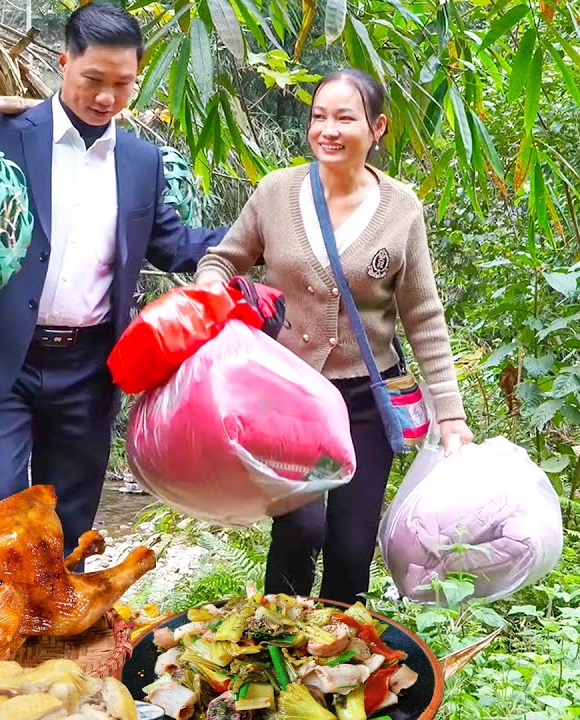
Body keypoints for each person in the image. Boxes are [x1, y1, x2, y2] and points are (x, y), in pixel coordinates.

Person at [0, 1, 228, 560]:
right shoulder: (0, 132)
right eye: (93, 80)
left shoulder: (141, 161)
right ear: (64, 63)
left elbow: (174, 244)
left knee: (71, 522)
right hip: (1, 356)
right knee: (2, 504)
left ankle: (57, 639)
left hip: (89, 366)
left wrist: (261, 233)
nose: (106, 97)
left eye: (122, 84)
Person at [193, 68, 475, 604]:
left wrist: (452, 414)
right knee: (300, 530)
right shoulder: (276, 193)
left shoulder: (400, 208)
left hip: (367, 402)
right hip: (290, 398)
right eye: (319, 116)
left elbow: (423, 316)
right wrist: (209, 291)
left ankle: (341, 655)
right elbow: (223, 259)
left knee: (350, 543)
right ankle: (278, 645)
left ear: (377, 127)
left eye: (345, 117)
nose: (328, 129)